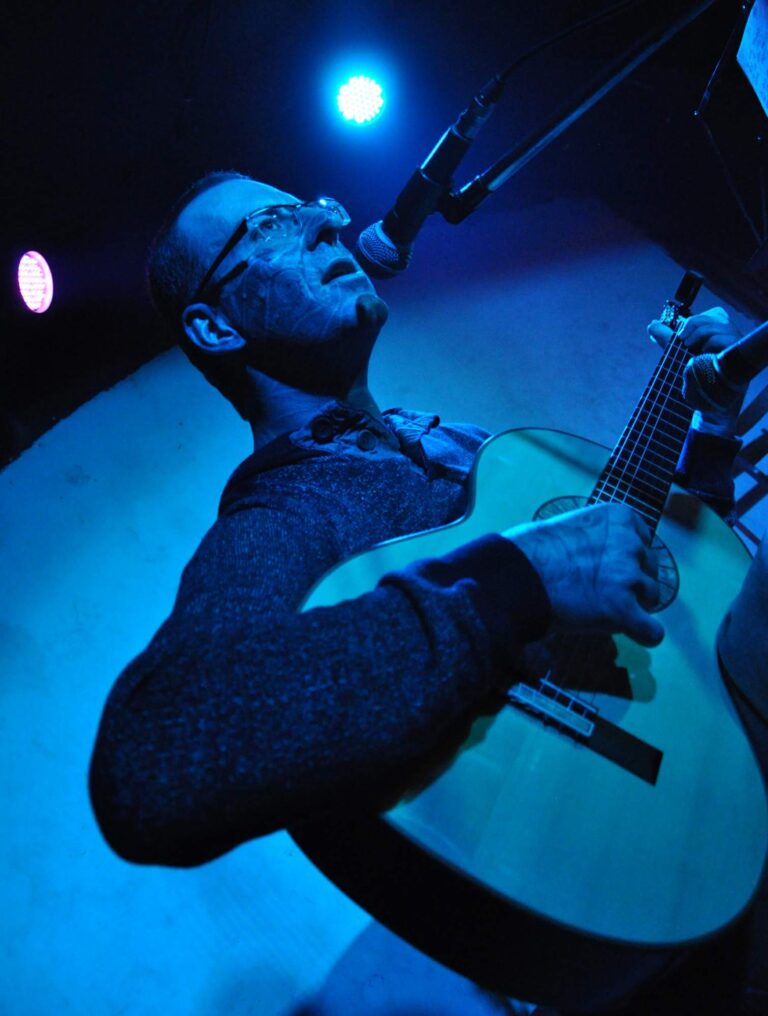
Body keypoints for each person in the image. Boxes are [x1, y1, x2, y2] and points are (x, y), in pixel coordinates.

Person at [88, 171, 750, 1011]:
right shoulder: (287, 511)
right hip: (633, 871)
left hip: (710, 796)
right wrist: (517, 578)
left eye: (315, 204)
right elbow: (154, 761)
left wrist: (708, 437)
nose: (327, 220)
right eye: (274, 224)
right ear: (215, 326)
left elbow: (664, 590)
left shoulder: (460, 445)